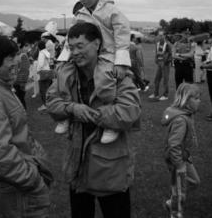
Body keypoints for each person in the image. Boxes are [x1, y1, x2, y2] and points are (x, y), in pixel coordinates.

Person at [46, 22, 141, 218]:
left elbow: (130, 111)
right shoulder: (66, 73)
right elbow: (51, 102)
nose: (75, 52)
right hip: (77, 166)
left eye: (80, 46)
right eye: (71, 47)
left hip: (111, 169)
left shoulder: (116, 74)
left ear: (97, 43)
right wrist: (72, 108)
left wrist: (91, 114)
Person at [0, 34, 53, 218]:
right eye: (10, 58)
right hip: (20, 190)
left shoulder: (0, 87)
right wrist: (33, 180)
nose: (17, 61)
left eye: (16, 55)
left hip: (21, 185)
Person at [55, 0, 131, 144]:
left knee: (104, 80)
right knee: (63, 74)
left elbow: (122, 35)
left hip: (107, 55)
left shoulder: (112, 11)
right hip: (84, 56)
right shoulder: (80, 14)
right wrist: (63, 59)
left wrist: (121, 63)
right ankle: (65, 114)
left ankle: (111, 123)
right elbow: (71, 38)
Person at [161, 83, 201, 218]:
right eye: (196, 98)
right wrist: (179, 165)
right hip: (177, 161)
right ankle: (175, 211)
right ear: (186, 100)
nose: (199, 100)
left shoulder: (187, 114)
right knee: (179, 190)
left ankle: (175, 198)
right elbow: (174, 145)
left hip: (183, 157)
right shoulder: (181, 120)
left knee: (194, 182)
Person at [149, 30, 172, 101]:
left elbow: (170, 55)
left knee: (165, 80)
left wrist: (165, 62)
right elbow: (157, 53)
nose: (160, 36)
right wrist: (156, 59)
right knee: (157, 79)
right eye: (159, 35)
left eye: (161, 35)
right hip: (159, 63)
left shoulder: (168, 44)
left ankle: (165, 95)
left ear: (164, 36)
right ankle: (156, 94)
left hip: (165, 64)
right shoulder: (157, 43)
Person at [37, 40, 54, 112]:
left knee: (43, 90)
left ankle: (45, 105)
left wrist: (38, 70)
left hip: (42, 73)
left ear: (38, 47)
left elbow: (40, 64)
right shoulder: (47, 52)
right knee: (48, 89)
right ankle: (50, 104)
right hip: (48, 72)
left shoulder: (41, 53)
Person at [13, 41, 31, 109]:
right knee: (18, 99)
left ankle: (23, 113)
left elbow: (24, 70)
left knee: (20, 98)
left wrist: (22, 83)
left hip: (19, 82)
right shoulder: (17, 56)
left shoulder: (22, 56)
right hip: (17, 81)